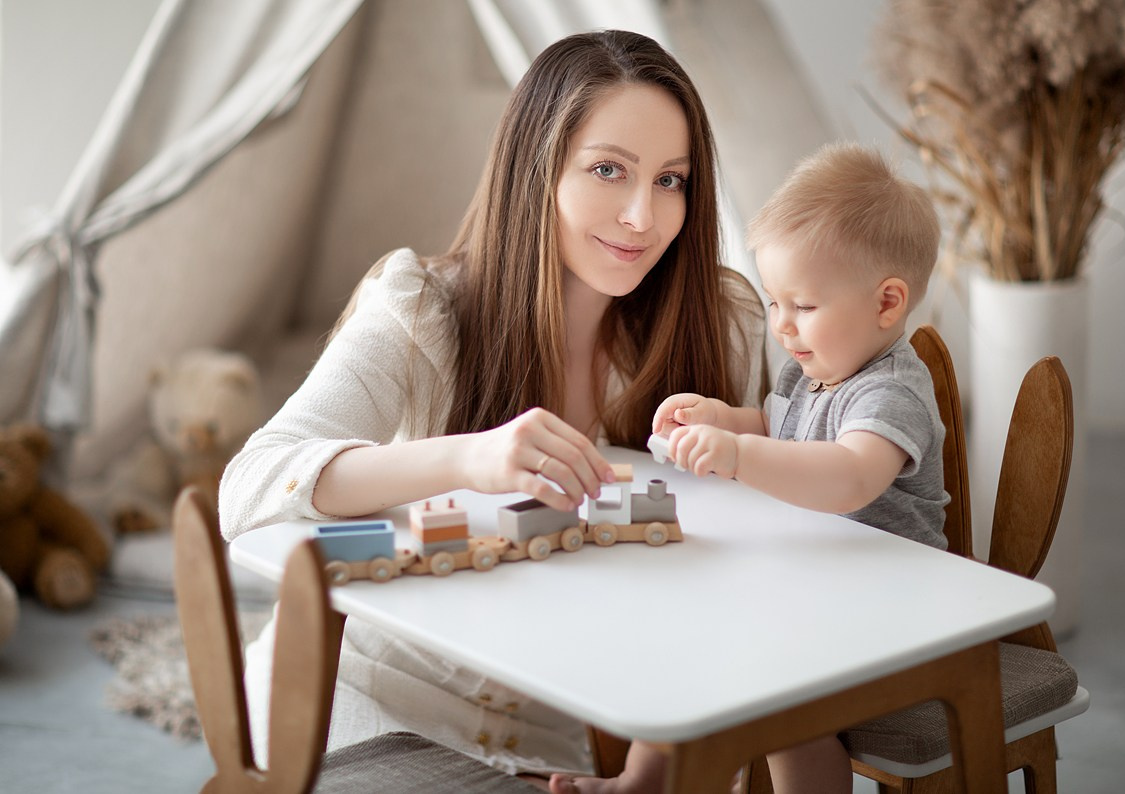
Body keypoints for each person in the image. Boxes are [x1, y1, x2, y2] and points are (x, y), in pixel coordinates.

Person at [218, 30, 766, 786]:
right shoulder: (421, 307)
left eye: (672, 180)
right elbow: (249, 488)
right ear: (535, 171)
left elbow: (749, 563)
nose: (643, 215)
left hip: (568, 727)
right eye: (609, 170)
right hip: (360, 689)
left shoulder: (725, 323)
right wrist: (468, 458)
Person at [556, 143, 948, 794]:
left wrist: (740, 458)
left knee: (783, 706)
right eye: (774, 302)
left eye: (805, 306)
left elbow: (848, 474)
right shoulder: (810, 372)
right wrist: (722, 420)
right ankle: (642, 782)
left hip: (889, 614)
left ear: (887, 304)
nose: (784, 327)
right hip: (814, 591)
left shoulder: (891, 393)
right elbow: (780, 431)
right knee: (685, 630)